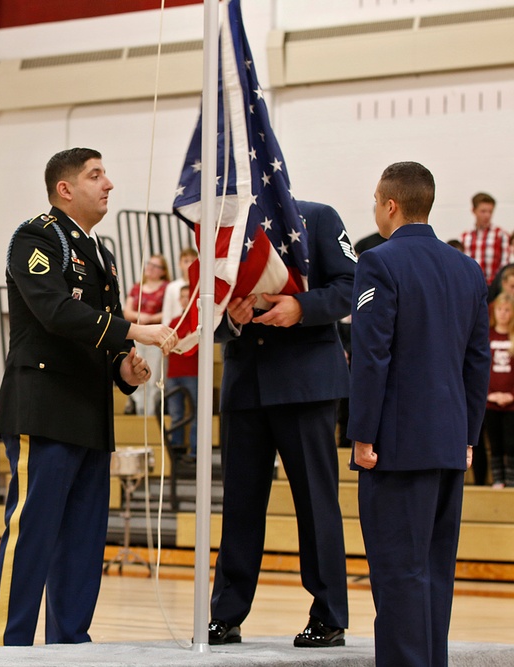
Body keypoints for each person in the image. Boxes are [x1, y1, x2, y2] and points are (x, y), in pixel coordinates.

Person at [0, 147, 177, 646]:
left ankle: (69, 647)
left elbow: (102, 339)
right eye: (96, 175)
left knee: (82, 542)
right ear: (65, 189)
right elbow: (54, 312)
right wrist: (136, 328)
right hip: (45, 406)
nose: (109, 184)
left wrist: (125, 367)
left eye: (106, 174)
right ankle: (5, 652)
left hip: (90, 415)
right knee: (30, 536)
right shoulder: (36, 236)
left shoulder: (102, 254)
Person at [349, 161, 490, 667]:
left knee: (398, 572)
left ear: (390, 205)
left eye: (375, 202)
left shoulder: (379, 262)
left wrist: (361, 433)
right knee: (433, 570)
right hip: (450, 441)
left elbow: (371, 356)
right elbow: (478, 362)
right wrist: (469, 435)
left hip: (396, 445)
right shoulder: (467, 267)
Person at [207, 200, 355, 647]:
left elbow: (352, 286)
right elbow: (205, 303)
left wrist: (301, 307)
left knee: (316, 503)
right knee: (239, 505)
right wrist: (227, 320)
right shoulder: (224, 230)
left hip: (306, 381)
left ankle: (329, 615)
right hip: (246, 383)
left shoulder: (319, 216)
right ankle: (226, 614)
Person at [123, 253, 171, 415]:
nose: (149, 268)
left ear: (163, 271)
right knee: (134, 373)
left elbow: (169, 311)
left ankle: (150, 414)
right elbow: (127, 310)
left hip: (155, 338)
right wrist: (139, 317)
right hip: (137, 336)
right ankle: (139, 411)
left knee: (153, 376)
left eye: (155, 266)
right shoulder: (138, 287)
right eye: (149, 264)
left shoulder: (166, 287)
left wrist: (151, 318)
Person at [485, 293, 514, 488]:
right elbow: (481, 369)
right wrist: (490, 394)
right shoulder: (487, 336)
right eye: (500, 310)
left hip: (511, 403)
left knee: (511, 443)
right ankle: (497, 479)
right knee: (494, 442)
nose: (503, 314)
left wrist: (510, 394)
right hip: (490, 400)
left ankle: (511, 479)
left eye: (507, 310)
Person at [166, 284, 198, 457]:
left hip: (192, 372)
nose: (185, 299)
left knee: (195, 414)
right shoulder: (173, 321)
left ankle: (195, 452)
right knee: (176, 413)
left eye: (188, 296)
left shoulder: (198, 320)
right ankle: (176, 450)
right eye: (183, 296)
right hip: (174, 373)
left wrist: (179, 344)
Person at [461, 192, 508, 284]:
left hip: (493, 288)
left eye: (490, 211)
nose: (487, 215)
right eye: (483, 211)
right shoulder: (465, 237)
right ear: (474, 210)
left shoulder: (501, 235)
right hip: (471, 286)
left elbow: (504, 267)